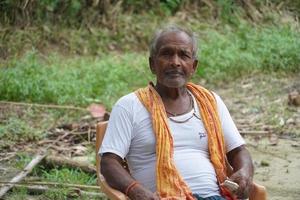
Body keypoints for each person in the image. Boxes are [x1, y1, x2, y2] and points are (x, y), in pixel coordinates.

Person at [99, 25, 254, 200]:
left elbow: (238, 151)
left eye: (184, 55)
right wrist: (136, 190)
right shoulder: (129, 106)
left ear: (193, 66)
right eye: (166, 54)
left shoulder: (210, 102)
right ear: (152, 64)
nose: (175, 62)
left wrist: (245, 173)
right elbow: (109, 162)